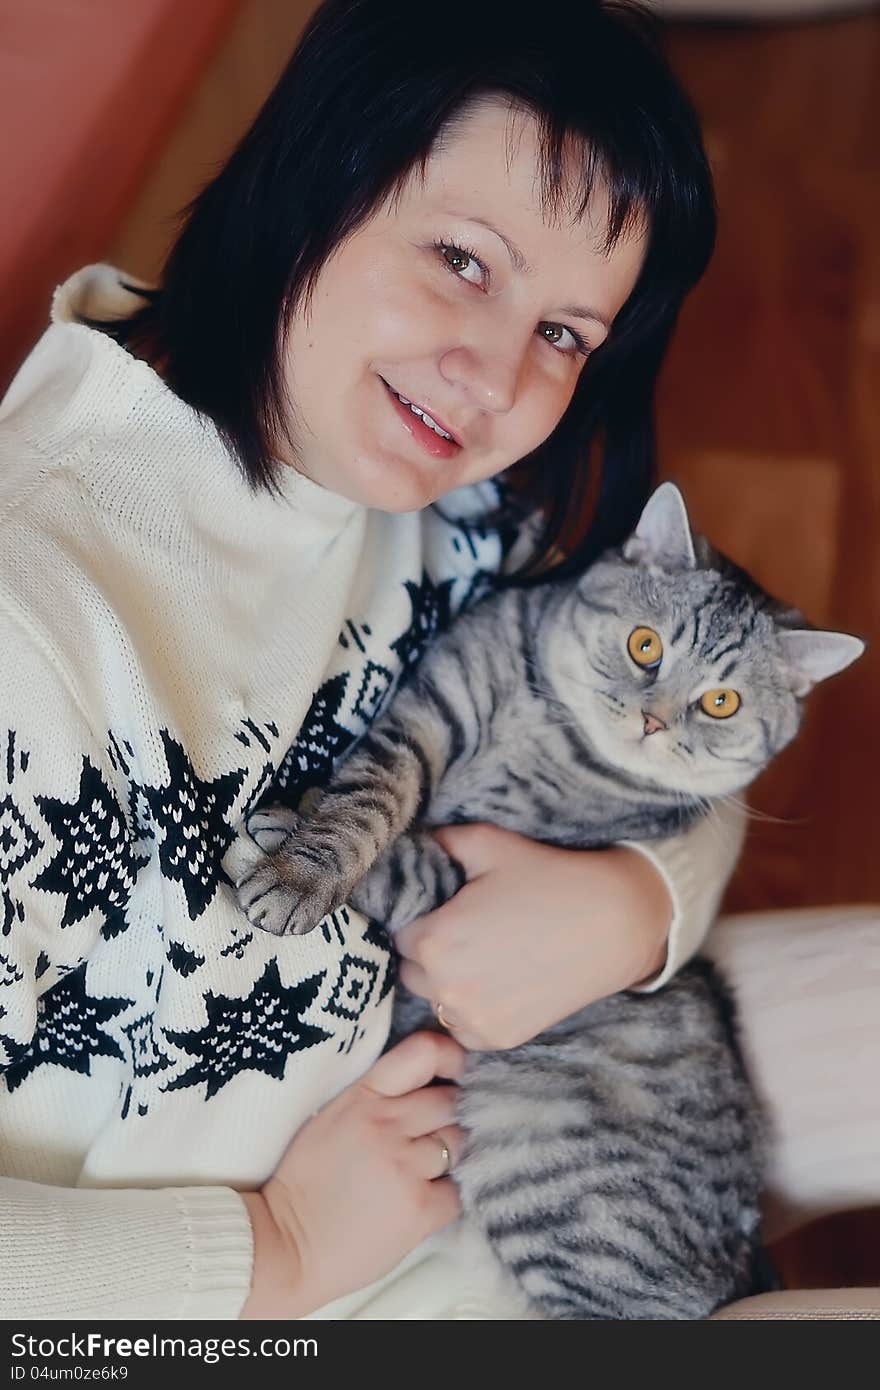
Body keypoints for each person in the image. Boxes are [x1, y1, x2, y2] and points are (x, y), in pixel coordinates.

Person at [0, 0, 746, 1320]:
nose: (496, 377)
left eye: (566, 333)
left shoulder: (416, 493)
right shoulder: (33, 621)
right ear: (319, 168)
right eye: (465, 259)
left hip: (531, 1148)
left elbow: (685, 716)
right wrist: (275, 1249)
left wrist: (638, 900)